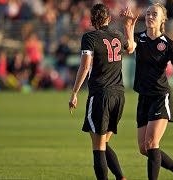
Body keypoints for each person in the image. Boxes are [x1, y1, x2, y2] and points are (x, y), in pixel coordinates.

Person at [122, 4, 173, 180]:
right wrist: (128, 27)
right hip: (144, 97)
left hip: (161, 97)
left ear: (163, 19)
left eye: (154, 14)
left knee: (152, 143)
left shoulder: (168, 44)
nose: (150, 16)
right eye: (147, 14)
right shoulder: (139, 38)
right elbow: (130, 48)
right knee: (143, 148)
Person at [68, 4, 137, 180]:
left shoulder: (90, 37)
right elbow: (131, 48)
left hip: (100, 95)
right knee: (103, 143)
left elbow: (85, 66)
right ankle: (121, 177)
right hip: (119, 96)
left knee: (98, 147)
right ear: (109, 19)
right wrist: (129, 27)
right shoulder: (117, 36)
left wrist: (74, 92)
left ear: (91, 20)